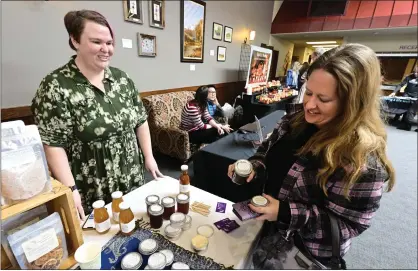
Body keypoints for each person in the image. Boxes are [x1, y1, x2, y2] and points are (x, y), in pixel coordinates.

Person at [227, 44, 395, 267]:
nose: (310, 105)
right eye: (308, 92)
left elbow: (348, 226)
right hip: (267, 230)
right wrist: (255, 166)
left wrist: (286, 212)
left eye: (323, 99)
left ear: (353, 103)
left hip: (304, 252)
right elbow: (266, 151)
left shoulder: (362, 160)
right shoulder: (293, 119)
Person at [31, 10, 163, 218]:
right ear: (75, 41)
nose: (106, 49)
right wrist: (70, 189)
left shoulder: (122, 79)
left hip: (131, 175)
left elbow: (140, 120)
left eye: (110, 43)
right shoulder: (56, 86)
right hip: (92, 184)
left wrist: (149, 157)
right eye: (96, 42)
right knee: (101, 237)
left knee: (135, 226)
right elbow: (53, 144)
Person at [388, 63, 418, 131]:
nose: (415, 74)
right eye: (414, 72)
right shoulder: (409, 77)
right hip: (407, 94)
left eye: (417, 73)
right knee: (401, 105)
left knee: (411, 110)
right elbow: (400, 85)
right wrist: (394, 92)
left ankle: (406, 123)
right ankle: (396, 118)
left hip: (416, 96)